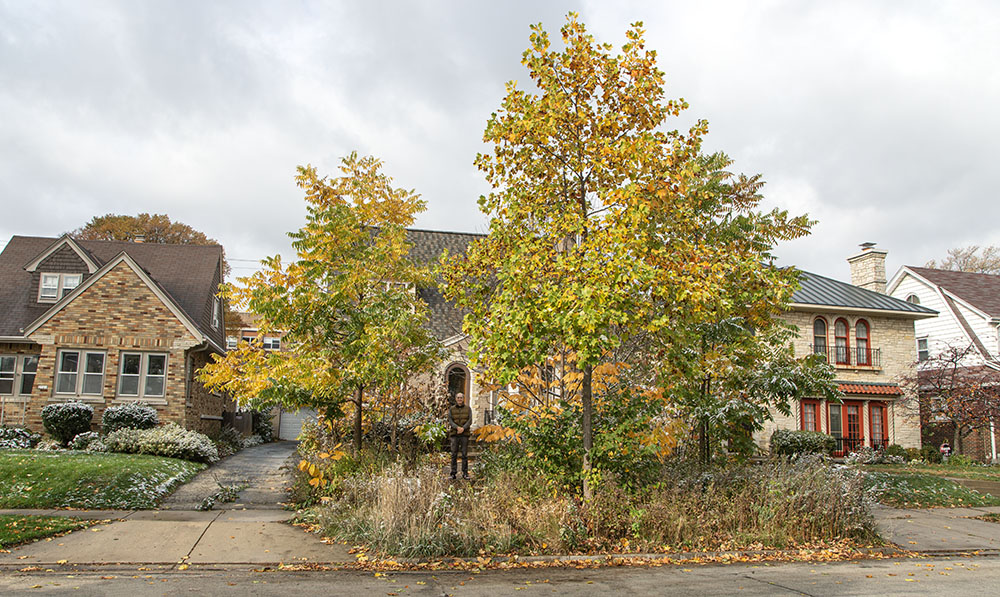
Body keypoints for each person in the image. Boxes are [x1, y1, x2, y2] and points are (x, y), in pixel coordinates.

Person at [448, 392, 472, 480]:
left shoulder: (468, 409)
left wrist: (463, 428)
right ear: (455, 399)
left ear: (463, 399)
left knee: (464, 454)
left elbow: (470, 420)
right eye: (458, 398)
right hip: (454, 434)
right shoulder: (451, 409)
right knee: (454, 454)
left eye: (461, 398)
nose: (459, 399)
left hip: (464, 435)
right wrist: (457, 428)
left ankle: (465, 473)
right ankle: (453, 473)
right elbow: (450, 420)